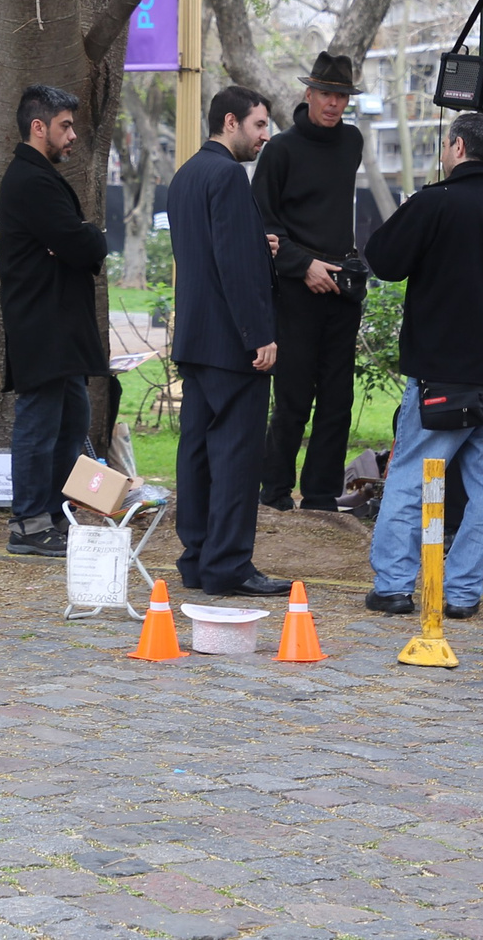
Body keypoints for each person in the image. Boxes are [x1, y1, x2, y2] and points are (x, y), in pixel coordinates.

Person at [360, 112, 483, 617]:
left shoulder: (433, 203)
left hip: (440, 379)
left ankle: (396, 587)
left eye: (446, 145)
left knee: (411, 479)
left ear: (458, 147)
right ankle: (463, 594)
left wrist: (411, 215)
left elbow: (381, 258)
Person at [164, 85, 290, 597]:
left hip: (196, 337)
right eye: (260, 125)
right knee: (236, 460)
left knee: (195, 454)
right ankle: (229, 565)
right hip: (233, 344)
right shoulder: (229, 176)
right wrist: (259, 335)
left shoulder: (187, 175)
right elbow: (234, 267)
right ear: (231, 121)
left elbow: (209, 251)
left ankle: (197, 558)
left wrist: (257, 247)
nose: (265, 136)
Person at [0, 84, 110, 558]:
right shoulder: (31, 180)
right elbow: (83, 245)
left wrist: (79, 239)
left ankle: (56, 515)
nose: (73, 136)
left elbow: (73, 243)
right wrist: (89, 237)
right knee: (39, 427)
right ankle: (28, 522)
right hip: (42, 327)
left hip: (59, 329)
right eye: (65, 126)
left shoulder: (39, 177)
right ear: (38, 127)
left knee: (72, 422)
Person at [253, 51, 368, 512]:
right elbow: (264, 225)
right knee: (294, 397)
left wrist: (339, 269)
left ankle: (320, 496)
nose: (333, 103)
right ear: (308, 93)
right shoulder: (280, 150)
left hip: (342, 282)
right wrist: (304, 266)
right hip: (298, 287)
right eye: (326, 93)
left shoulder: (353, 142)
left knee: (338, 398)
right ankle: (275, 492)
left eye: (341, 95)